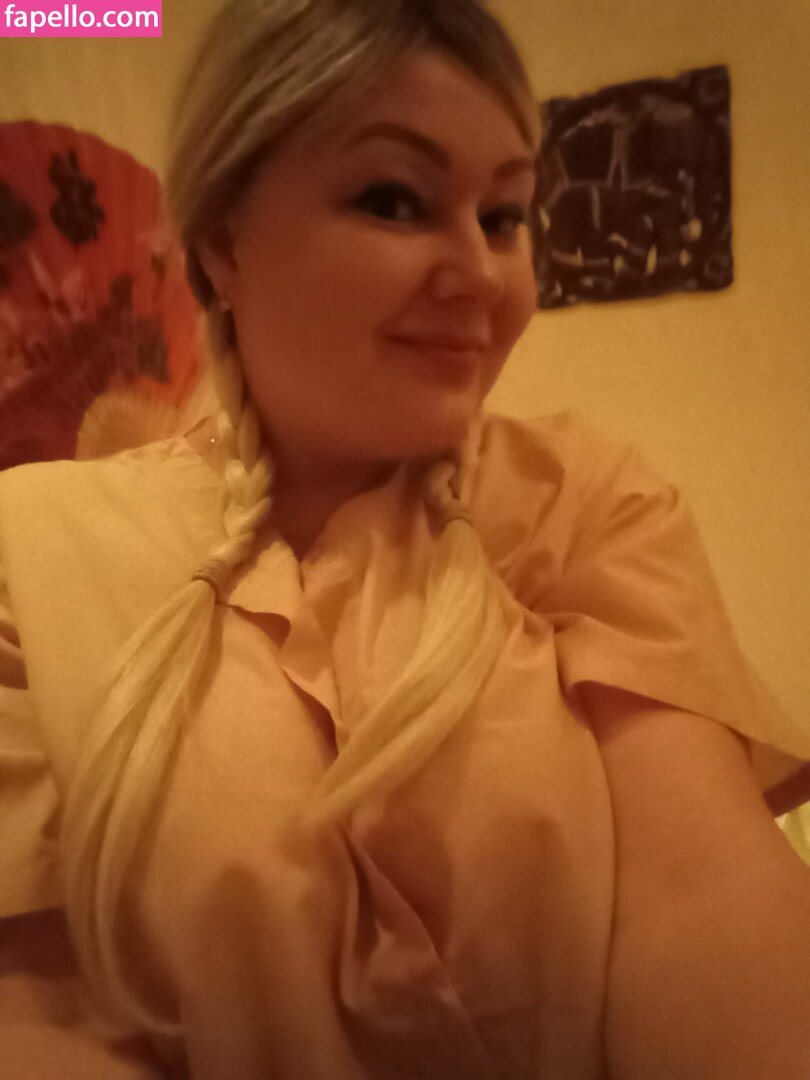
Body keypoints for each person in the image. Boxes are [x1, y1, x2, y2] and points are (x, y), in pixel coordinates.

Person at [1, 0, 809, 1077]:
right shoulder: (32, 550)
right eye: (394, 199)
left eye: (505, 215)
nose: (481, 273)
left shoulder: (588, 503)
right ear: (222, 243)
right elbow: (34, 1015)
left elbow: (702, 906)